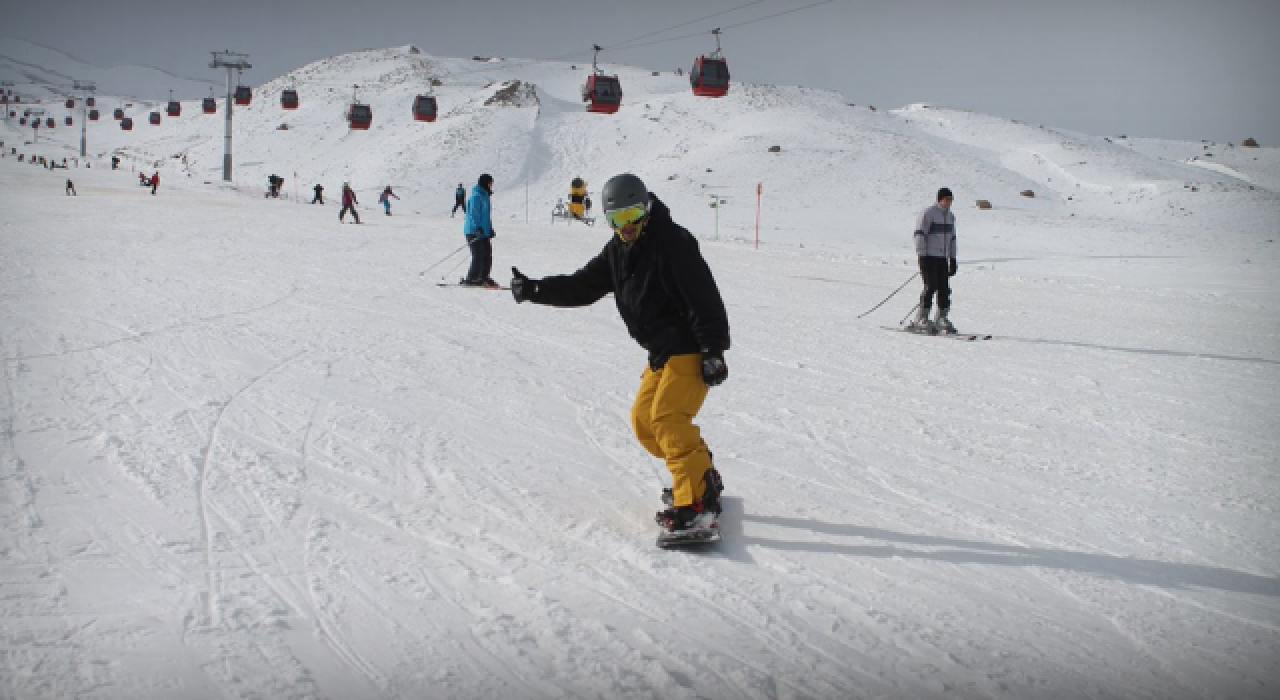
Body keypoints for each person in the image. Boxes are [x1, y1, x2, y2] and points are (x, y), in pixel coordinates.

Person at [509, 173, 730, 533]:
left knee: (668, 420)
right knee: (645, 425)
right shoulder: (618, 251)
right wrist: (536, 289)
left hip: (689, 346)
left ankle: (697, 504)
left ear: (646, 208)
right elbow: (582, 285)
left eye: (632, 217)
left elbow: (704, 297)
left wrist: (713, 351)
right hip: (660, 351)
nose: (626, 227)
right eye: (617, 220)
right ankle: (703, 477)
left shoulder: (672, 242)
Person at [910, 187, 958, 334]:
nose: (949, 202)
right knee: (930, 286)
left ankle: (941, 317)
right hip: (928, 256)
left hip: (942, 258)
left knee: (944, 287)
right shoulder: (928, 213)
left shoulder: (950, 216)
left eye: (951, 200)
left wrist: (953, 258)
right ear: (939, 199)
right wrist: (922, 255)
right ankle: (922, 317)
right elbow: (919, 234)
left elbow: (952, 239)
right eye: (946, 199)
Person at [460, 174, 496, 286]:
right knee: (478, 255)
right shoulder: (476, 196)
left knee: (487, 254)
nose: (491, 185)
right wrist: (477, 228)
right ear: (485, 183)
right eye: (490, 183)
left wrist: (490, 229)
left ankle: (483, 277)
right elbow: (473, 214)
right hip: (473, 231)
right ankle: (472, 278)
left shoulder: (485, 196)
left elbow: (486, 216)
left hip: (483, 232)